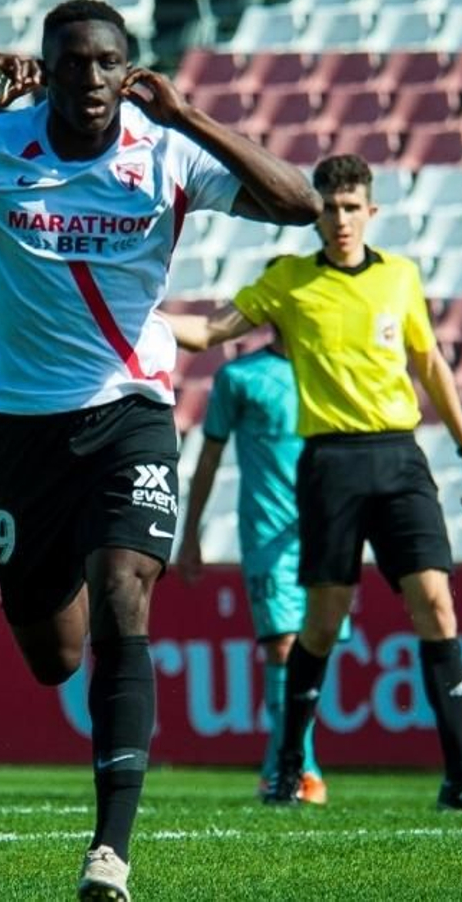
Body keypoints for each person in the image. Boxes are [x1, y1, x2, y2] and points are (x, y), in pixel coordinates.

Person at [0, 0, 322, 897]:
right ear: (45, 70)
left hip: (132, 411)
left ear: (128, 70)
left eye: (106, 63)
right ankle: (58, 606)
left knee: (125, 590)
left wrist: (190, 116)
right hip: (25, 429)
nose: (90, 79)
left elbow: (302, 206)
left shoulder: (163, 151)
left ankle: (111, 851)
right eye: (73, 63)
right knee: (53, 651)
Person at [164, 153, 462, 813]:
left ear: (371, 212)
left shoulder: (400, 278)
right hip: (330, 464)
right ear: (314, 212)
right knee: (320, 625)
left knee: (436, 604)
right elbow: (210, 332)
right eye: (330, 207)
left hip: (401, 458)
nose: (342, 219)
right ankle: (291, 766)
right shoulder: (290, 283)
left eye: (353, 207)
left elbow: (429, 361)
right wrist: (139, 323)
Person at [174, 333, 347, 805]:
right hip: (267, 532)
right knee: (281, 646)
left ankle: (278, 764)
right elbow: (209, 456)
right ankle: (303, 769)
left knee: (316, 646)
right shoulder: (239, 377)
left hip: (325, 530)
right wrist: (190, 533)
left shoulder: (334, 364)